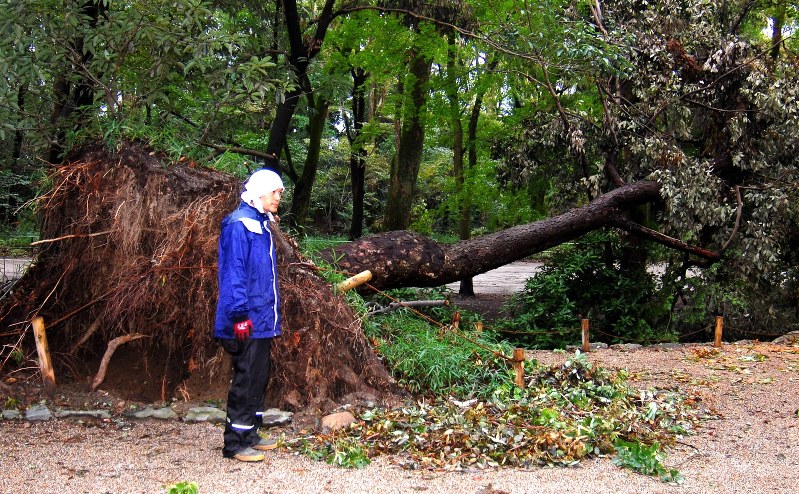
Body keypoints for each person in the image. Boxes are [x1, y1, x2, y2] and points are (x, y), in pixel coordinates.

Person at [214, 168, 284, 462]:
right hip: (243, 321)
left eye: (280, 192)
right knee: (245, 377)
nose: (279, 197)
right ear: (258, 193)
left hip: (263, 321)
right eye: (275, 192)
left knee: (258, 377)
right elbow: (234, 276)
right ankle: (234, 443)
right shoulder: (238, 225)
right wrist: (240, 318)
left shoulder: (260, 224)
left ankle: (250, 433)